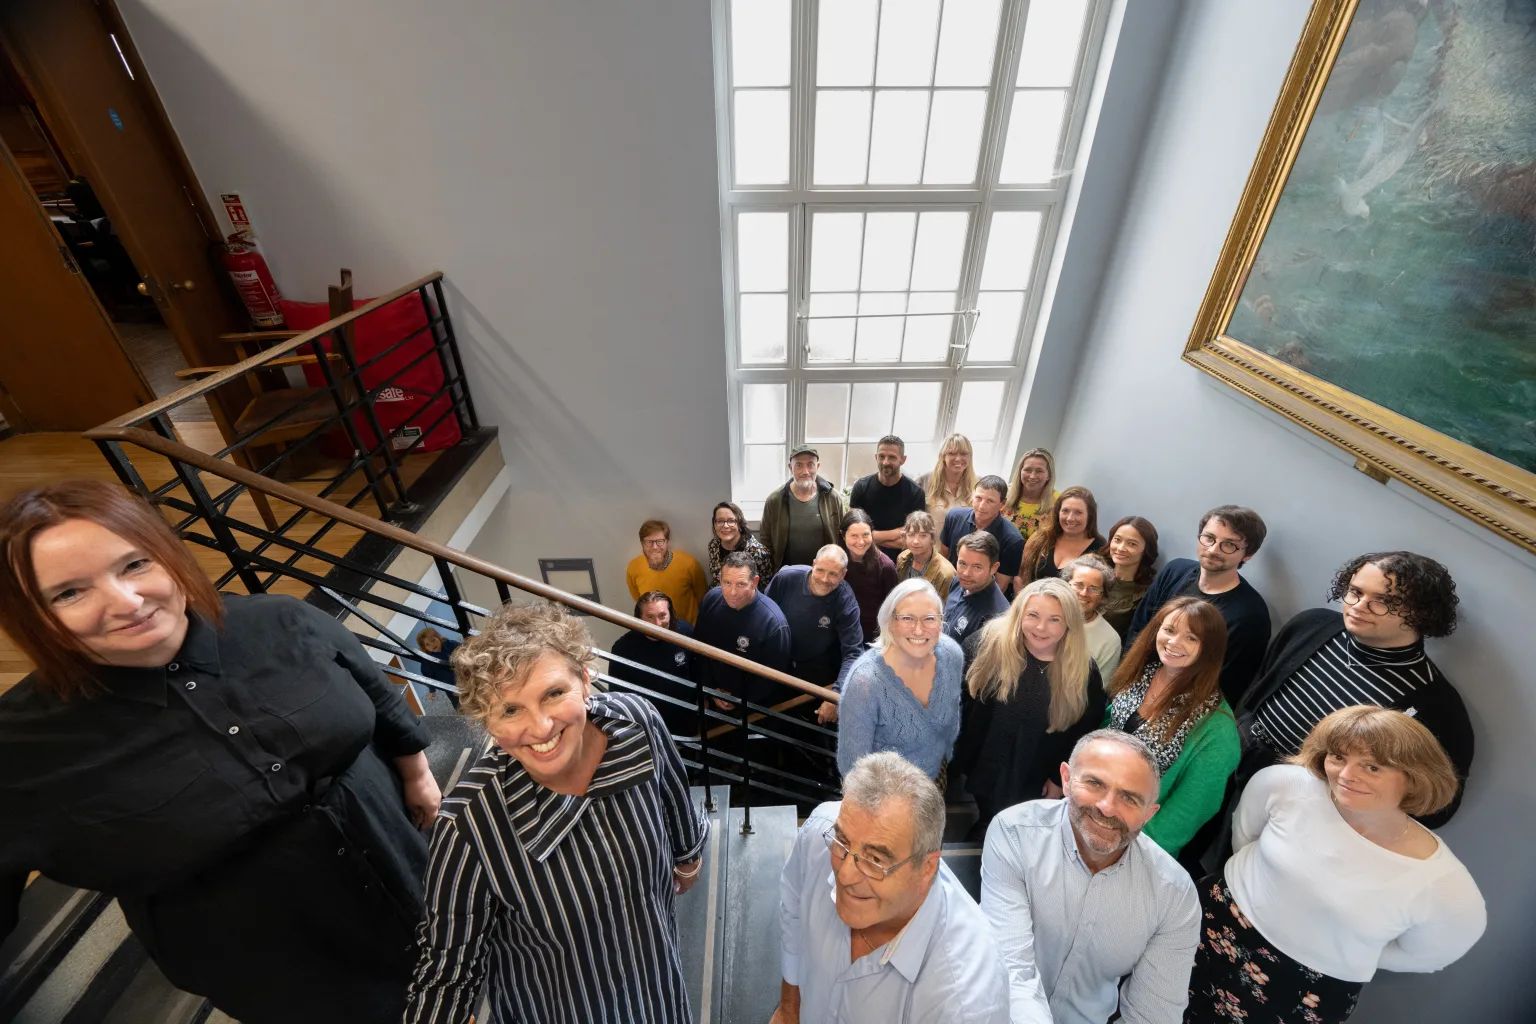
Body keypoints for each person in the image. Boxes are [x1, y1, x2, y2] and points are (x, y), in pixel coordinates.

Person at [0, 481, 440, 1024]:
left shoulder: (281, 620)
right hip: (282, 966)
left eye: (135, 564)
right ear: (32, 618)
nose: (128, 602)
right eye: (68, 593)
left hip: (401, 861)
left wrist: (417, 772)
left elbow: (371, 686)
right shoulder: (20, 748)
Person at [404, 602, 708, 1023]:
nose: (542, 727)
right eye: (510, 710)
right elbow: (446, 972)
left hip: (656, 984)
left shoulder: (635, 724)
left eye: (553, 693)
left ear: (585, 680)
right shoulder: (471, 826)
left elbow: (675, 798)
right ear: (487, 722)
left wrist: (688, 858)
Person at [1184, 707, 1486, 1024]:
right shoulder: (1285, 782)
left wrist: (1333, 949)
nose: (1345, 775)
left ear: (1414, 779)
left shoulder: (1445, 885)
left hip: (1296, 986)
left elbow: (1427, 956)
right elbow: (1245, 836)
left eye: (1372, 767)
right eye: (1339, 757)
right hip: (1205, 923)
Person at [772, 752, 1010, 1024]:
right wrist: (790, 1007)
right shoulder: (820, 830)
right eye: (843, 842)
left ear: (927, 867)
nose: (845, 875)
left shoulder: (965, 1005)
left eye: (875, 859)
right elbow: (792, 909)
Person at [1239, 551, 1474, 826]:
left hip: (1302, 809)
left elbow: (1436, 804)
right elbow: (1260, 686)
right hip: (1237, 757)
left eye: (1383, 601)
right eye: (1355, 592)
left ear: (1422, 614)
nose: (1360, 605)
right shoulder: (1311, 625)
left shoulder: (1434, 704)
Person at [981, 730, 1199, 1024]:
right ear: (1066, 780)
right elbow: (1011, 970)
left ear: (1149, 814)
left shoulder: (1175, 895)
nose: (1107, 807)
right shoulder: (1014, 834)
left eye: (1129, 798)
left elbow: (1152, 1015)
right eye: (1095, 783)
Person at [952, 578, 1106, 838]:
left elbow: (1085, 729)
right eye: (1032, 615)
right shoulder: (987, 644)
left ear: (1069, 623)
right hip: (985, 761)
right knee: (988, 817)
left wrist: (1060, 780)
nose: (1041, 627)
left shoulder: (1082, 669)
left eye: (1055, 619)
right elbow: (957, 697)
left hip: (1036, 771)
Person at [1103, 597, 1238, 858]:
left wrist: (1127, 850)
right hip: (1097, 802)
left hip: (1132, 843)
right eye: (1170, 630)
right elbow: (1109, 725)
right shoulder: (1143, 672)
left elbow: (1188, 812)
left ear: (1209, 648)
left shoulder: (1217, 727)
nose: (1174, 642)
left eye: (1191, 638)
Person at [1125, 506, 1271, 706]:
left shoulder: (1251, 616)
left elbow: (1225, 686)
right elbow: (1138, 631)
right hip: (1132, 688)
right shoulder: (1174, 571)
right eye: (1209, 538)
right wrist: (1126, 684)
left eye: (1229, 545)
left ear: (1248, 554)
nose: (1213, 550)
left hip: (1178, 710)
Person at [836, 579, 963, 781]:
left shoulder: (951, 655)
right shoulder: (865, 682)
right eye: (907, 618)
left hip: (936, 779)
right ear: (890, 623)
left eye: (929, 618)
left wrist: (944, 761)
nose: (919, 630)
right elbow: (853, 768)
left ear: (941, 621)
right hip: (887, 798)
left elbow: (952, 718)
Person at [766, 545, 864, 725]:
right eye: (820, 570)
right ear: (813, 564)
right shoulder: (785, 579)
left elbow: (854, 652)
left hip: (816, 671)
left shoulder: (846, 602)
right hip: (778, 664)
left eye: (833, 574)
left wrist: (836, 694)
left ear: (844, 574)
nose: (825, 579)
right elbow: (763, 614)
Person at [691, 550, 793, 708]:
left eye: (741, 584)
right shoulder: (711, 599)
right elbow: (699, 648)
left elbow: (774, 676)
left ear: (755, 582)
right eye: (727, 583)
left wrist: (739, 698)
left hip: (753, 707)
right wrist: (709, 688)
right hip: (714, 697)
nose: (732, 592)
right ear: (719, 579)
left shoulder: (774, 623)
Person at [607, 591, 697, 736]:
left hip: (685, 715)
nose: (657, 624)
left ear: (670, 614)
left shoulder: (685, 632)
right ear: (640, 618)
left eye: (662, 615)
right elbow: (618, 693)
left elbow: (699, 669)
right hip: (647, 721)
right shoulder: (623, 648)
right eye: (650, 617)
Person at [762, 446, 847, 573]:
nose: (805, 471)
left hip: (824, 572)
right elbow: (766, 539)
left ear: (817, 466)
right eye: (799, 465)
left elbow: (843, 534)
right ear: (790, 468)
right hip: (786, 572)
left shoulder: (832, 497)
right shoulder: (775, 500)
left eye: (810, 465)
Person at [937, 476, 1026, 596]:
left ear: (1002, 504)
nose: (981, 506)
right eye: (978, 498)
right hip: (948, 589)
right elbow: (944, 558)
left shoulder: (1013, 540)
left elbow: (1000, 586)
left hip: (981, 598)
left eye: (990, 501)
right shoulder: (954, 516)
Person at [848, 435, 927, 562]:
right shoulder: (861, 487)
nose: (885, 462)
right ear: (876, 457)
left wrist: (868, 537)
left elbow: (913, 541)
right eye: (881, 456)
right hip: (863, 559)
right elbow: (851, 532)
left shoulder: (915, 493)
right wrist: (897, 532)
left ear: (903, 459)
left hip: (900, 563)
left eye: (892, 457)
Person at [625, 518, 708, 626]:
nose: (655, 547)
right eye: (649, 542)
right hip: (655, 631)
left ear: (667, 542)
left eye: (660, 541)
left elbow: (702, 597)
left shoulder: (689, 564)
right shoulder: (634, 567)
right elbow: (639, 600)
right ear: (642, 544)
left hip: (689, 631)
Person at [941, 531, 1011, 656]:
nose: (966, 573)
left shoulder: (997, 617)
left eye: (977, 567)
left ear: (994, 568)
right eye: (962, 563)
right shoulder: (958, 582)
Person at [1021, 485, 1105, 584]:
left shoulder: (1100, 549)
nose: (1070, 518)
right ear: (1057, 512)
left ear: (1090, 516)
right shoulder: (1041, 537)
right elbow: (1020, 575)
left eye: (1078, 512)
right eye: (1065, 511)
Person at [840, 508, 898, 647]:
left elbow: (893, 608)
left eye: (866, 535)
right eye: (854, 536)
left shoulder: (885, 567)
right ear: (842, 535)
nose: (860, 542)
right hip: (840, 632)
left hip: (872, 638)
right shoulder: (837, 561)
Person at [1061, 553, 1122, 682]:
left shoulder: (1110, 640)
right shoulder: (1044, 615)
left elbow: (1099, 689)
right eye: (1078, 585)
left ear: (1103, 596)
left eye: (1093, 589)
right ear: (1066, 585)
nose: (1084, 593)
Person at [1101, 516, 1160, 639]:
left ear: (1145, 550)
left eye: (1132, 544)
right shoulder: (1092, 572)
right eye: (1117, 540)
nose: (1121, 548)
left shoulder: (1146, 595)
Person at [707, 500, 775, 586]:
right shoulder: (714, 546)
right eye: (720, 521)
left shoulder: (758, 552)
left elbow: (765, 586)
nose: (725, 526)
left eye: (731, 521)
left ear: (739, 524)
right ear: (714, 524)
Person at [916, 432, 980, 522]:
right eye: (952, 453)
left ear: (970, 457)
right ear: (943, 456)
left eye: (964, 453)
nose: (958, 458)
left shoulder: (979, 484)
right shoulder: (924, 480)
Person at [893, 510, 955, 601]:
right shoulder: (902, 558)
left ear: (932, 538)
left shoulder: (946, 573)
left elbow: (946, 610)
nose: (915, 541)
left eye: (923, 536)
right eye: (911, 535)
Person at [1002, 446, 1059, 541]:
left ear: (1049, 475)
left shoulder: (1058, 502)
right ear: (1020, 471)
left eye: (1039, 471)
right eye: (1027, 470)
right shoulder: (1003, 492)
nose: (1032, 476)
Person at [416, 626, 462, 707]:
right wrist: (432, 689)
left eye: (433, 640)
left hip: (463, 677)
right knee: (458, 704)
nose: (432, 645)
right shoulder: (427, 660)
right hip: (450, 686)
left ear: (438, 637)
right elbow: (428, 676)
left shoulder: (450, 644)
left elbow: (463, 649)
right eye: (427, 644)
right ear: (424, 648)